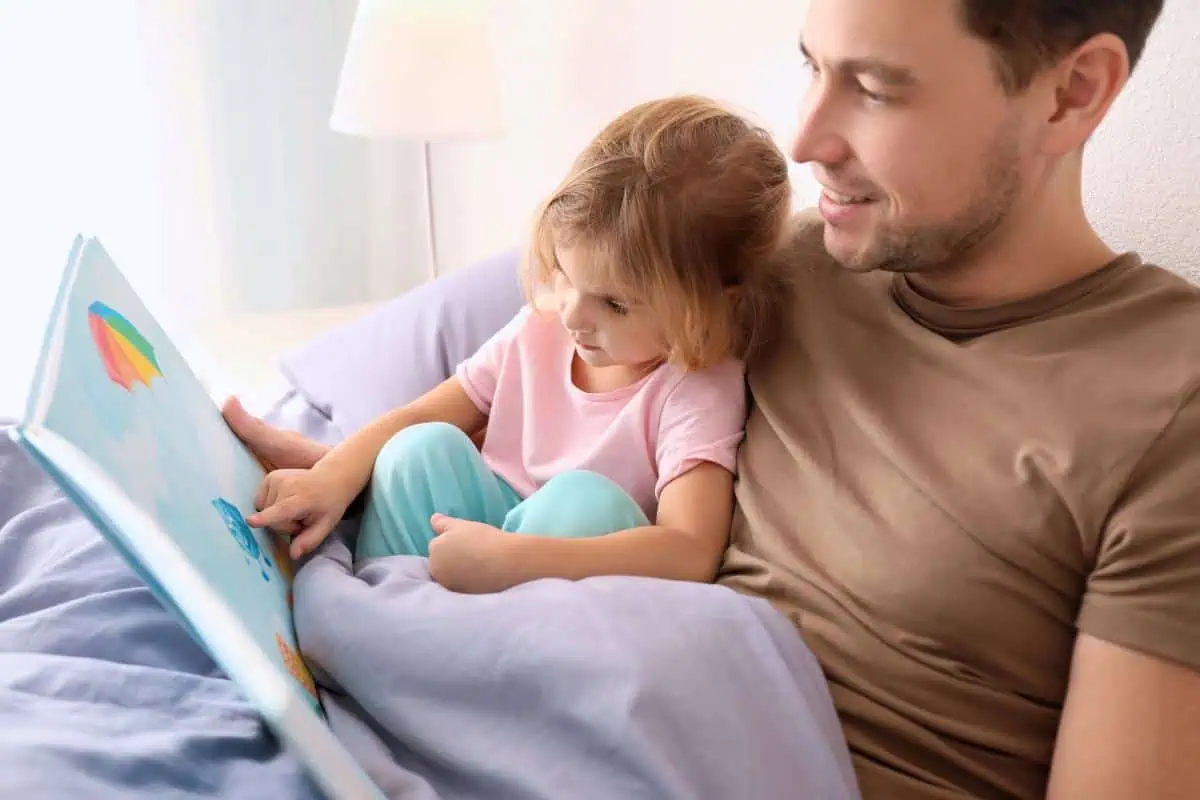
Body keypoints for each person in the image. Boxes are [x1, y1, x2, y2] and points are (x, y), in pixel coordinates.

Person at [224, 0, 1200, 797]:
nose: (807, 138)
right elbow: (540, 305)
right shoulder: (773, 265)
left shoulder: (1166, 406)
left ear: (1073, 92)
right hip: (536, 694)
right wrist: (343, 457)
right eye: (812, 65)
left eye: (873, 87)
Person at [243, 95, 794, 594]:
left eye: (616, 304)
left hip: (566, 570)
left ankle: (457, 654)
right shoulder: (542, 326)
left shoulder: (695, 388)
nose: (573, 316)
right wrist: (334, 477)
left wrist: (515, 561)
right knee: (419, 448)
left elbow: (690, 551)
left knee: (585, 500)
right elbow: (419, 414)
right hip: (480, 535)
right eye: (566, 277)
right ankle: (387, 612)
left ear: (717, 303)